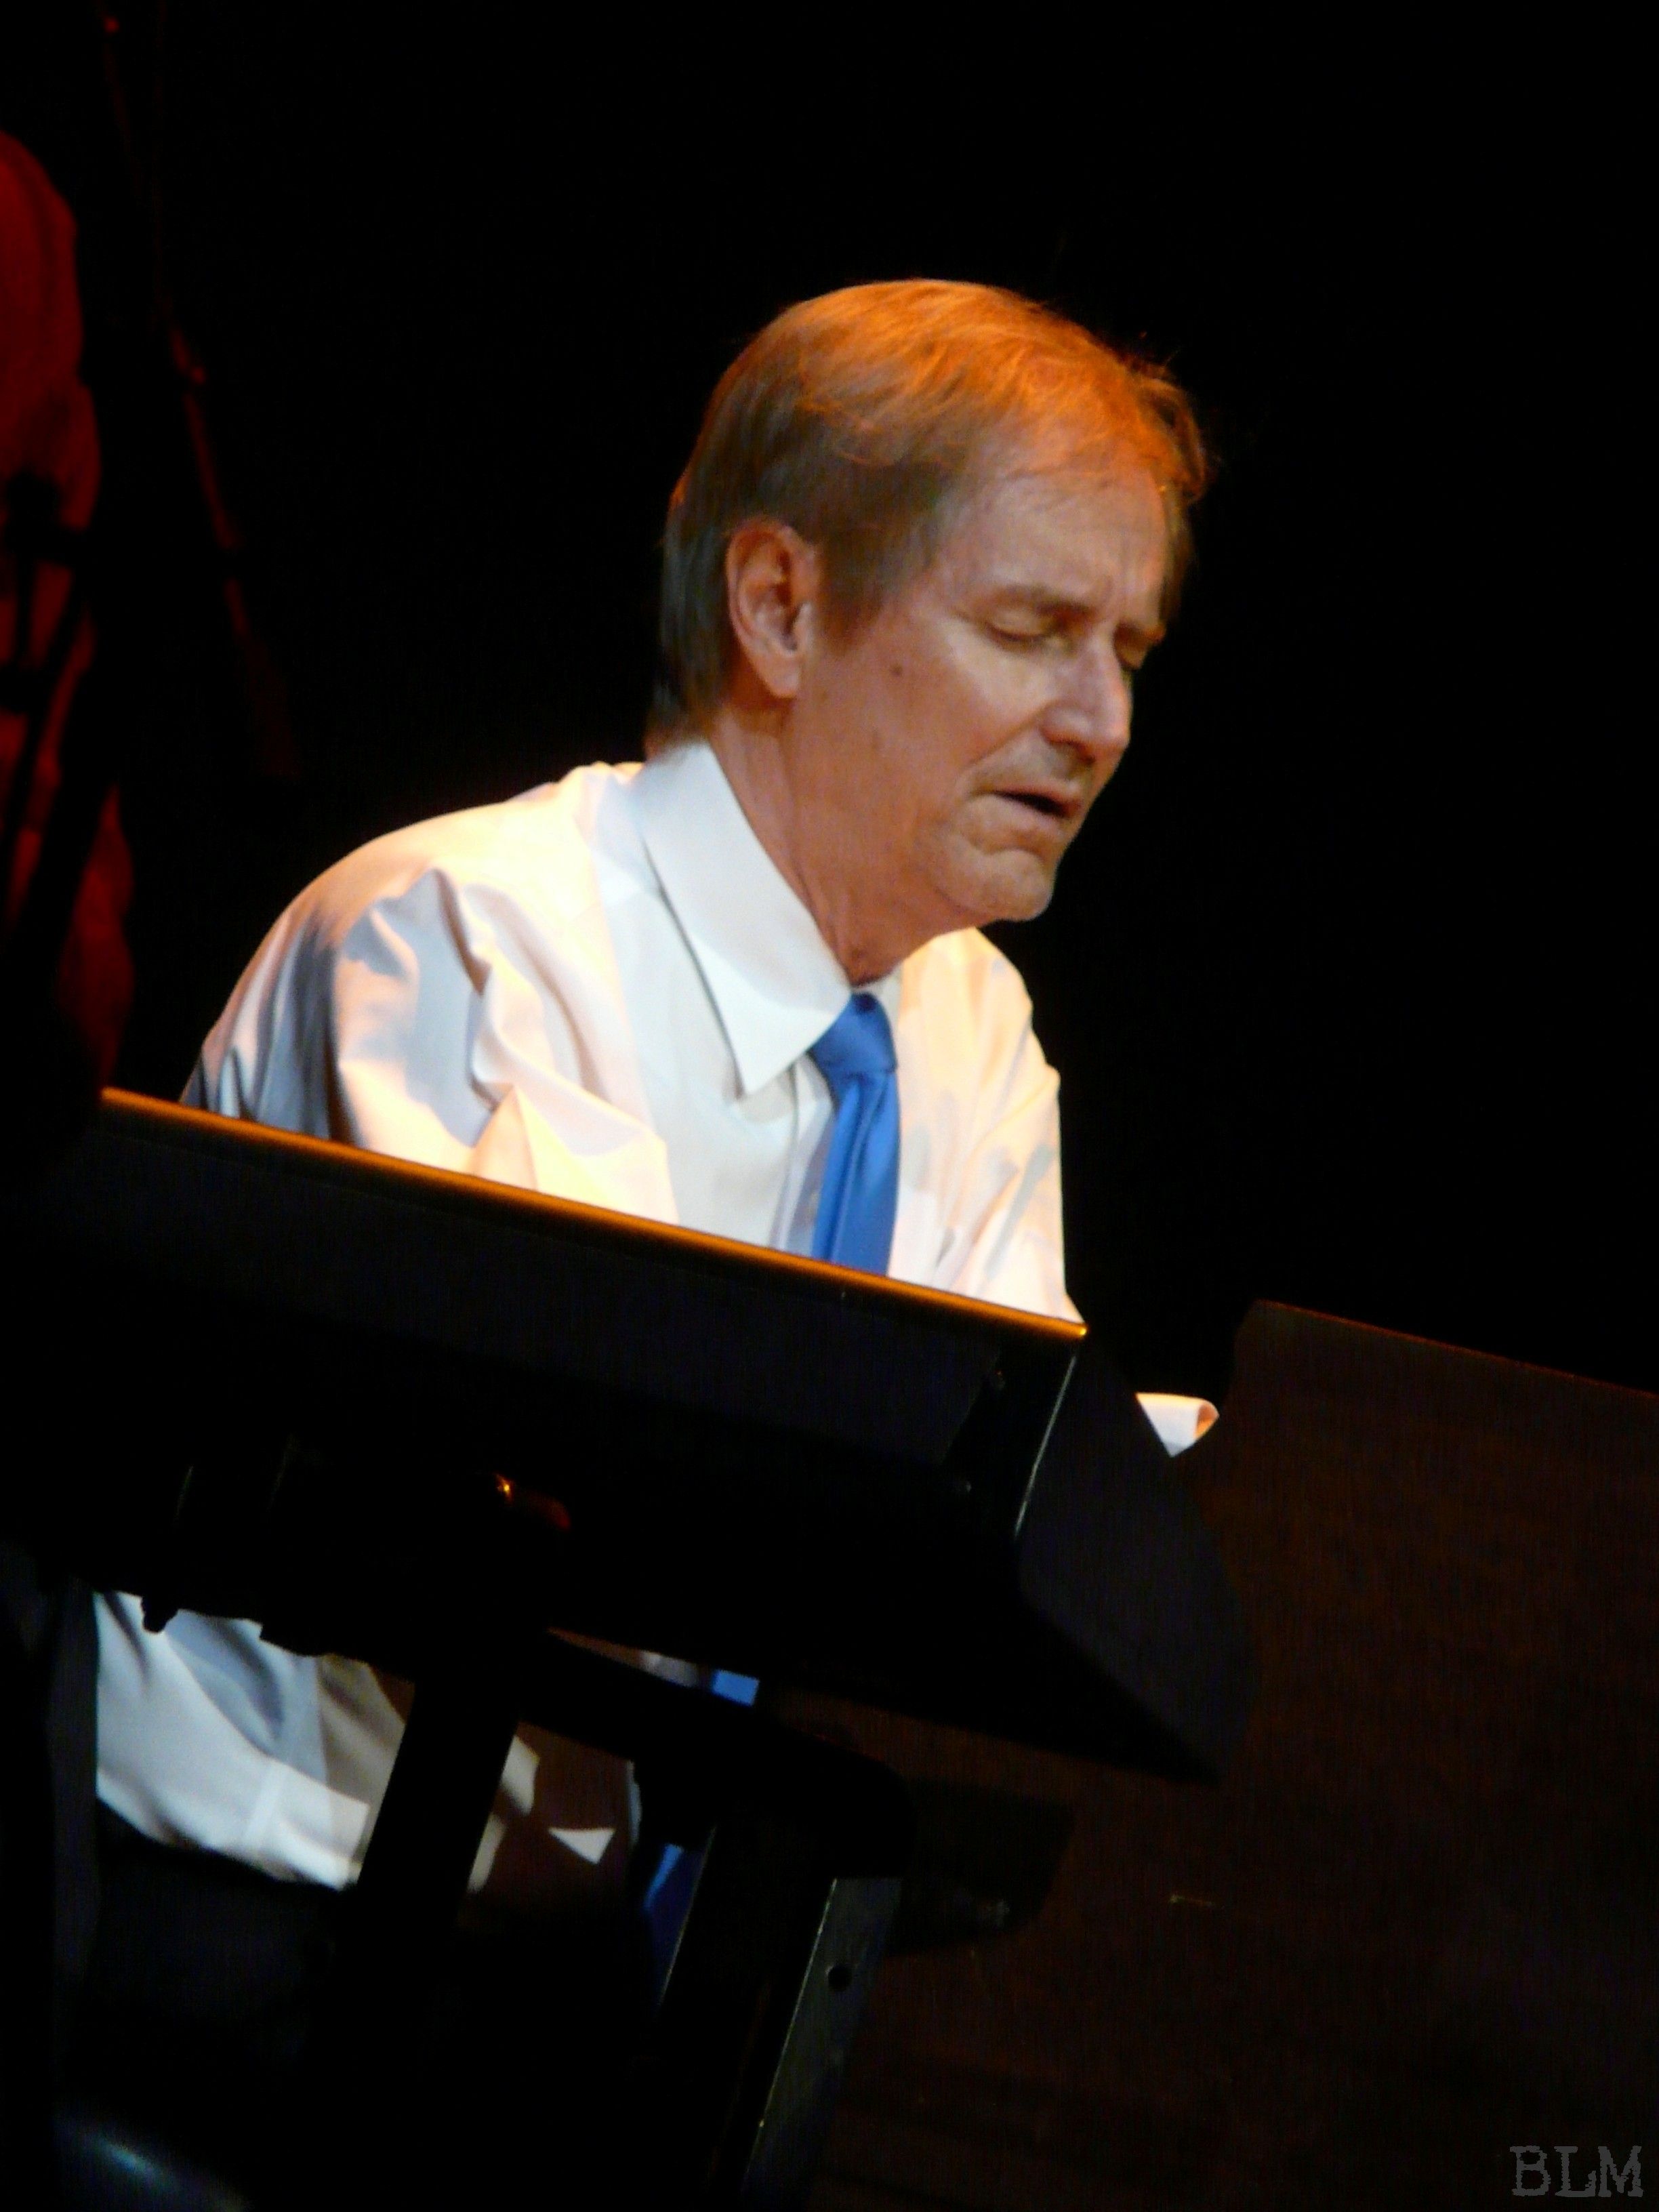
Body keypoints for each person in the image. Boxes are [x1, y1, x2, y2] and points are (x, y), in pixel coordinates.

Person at [82, 278, 1216, 2190]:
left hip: (588, 1982)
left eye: (1129, 651)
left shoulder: (967, 1029)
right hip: (279, 1943)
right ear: (781, 608)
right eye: (1033, 631)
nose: (1100, 723)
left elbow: (980, 1560)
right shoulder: (474, 933)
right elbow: (592, 1509)